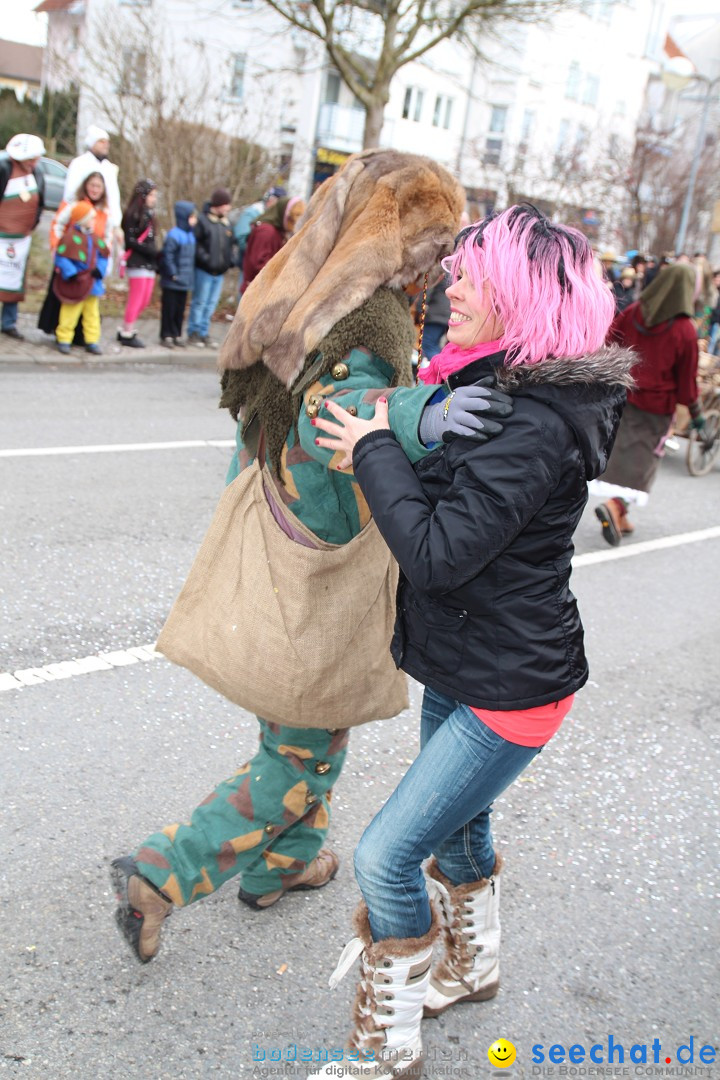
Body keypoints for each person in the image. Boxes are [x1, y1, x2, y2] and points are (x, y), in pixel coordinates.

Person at [109, 149, 514, 966]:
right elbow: (333, 415)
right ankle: (160, 874)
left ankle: (286, 867)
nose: (443, 266)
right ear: (391, 242)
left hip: (281, 542)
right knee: (299, 753)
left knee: (311, 734)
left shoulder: (303, 295)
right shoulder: (367, 323)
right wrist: (420, 413)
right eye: (434, 246)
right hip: (316, 567)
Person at [306, 204, 634, 1080]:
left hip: (511, 686)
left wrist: (376, 444)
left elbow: (438, 555)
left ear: (519, 298)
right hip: (470, 657)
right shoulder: (499, 385)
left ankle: (387, 1048)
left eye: (470, 273)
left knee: (385, 857)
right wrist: (408, 425)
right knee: (460, 830)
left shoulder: (531, 421)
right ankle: (475, 967)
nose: (451, 282)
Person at [592, 264, 703, 544]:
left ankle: (622, 513)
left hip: (622, 395)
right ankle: (616, 507)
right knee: (643, 463)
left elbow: (609, 340)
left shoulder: (634, 312)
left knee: (619, 451)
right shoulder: (685, 330)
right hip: (656, 407)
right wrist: (696, 413)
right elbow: (687, 380)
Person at [38, 171, 111, 345]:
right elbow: (58, 223)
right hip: (71, 259)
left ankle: (84, 337)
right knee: (66, 299)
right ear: (86, 185)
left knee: (89, 306)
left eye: (98, 186)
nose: (94, 189)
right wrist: (57, 248)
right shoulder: (73, 205)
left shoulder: (104, 212)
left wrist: (102, 262)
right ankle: (62, 334)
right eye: (92, 185)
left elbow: (106, 237)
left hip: (91, 262)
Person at [0, 133, 45, 340]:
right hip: (1, 235)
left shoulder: (37, 174)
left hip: (21, 239)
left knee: (14, 280)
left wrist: (32, 225)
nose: (34, 163)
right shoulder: (4, 169)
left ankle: (9, 322)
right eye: (31, 159)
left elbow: (40, 204)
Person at [53, 199, 109, 356]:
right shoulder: (70, 237)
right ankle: (64, 338)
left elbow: (104, 256)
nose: (93, 221)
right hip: (76, 282)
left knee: (92, 315)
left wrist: (100, 269)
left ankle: (92, 340)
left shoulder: (96, 238)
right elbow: (62, 256)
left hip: (92, 282)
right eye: (90, 218)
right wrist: (70, 272)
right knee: (69, 312)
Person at [186, 188, 236, 348]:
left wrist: (230, 260)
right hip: (204, 270)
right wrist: (206, 259)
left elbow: (230, 245)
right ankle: (193, 332)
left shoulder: (225, 224)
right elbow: (197, 244)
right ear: (219, 204)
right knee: (200, 302)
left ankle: (203, 332)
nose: (228, 208)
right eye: (226, 204)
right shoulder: (203, 220)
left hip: (219, 271)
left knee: (211, 304)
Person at [118, 180, 159, 348]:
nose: (154, 198)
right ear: (142, 196)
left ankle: (126, 327)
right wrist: (148, 249)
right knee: (135, 299)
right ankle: (127, 331)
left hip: (149, 263)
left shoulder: (150, 214)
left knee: (145, 299)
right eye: (151, 195)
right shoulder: (132, 214)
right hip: (137, 262)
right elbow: (130, 241)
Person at [62, 125, 122, 240]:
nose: (105, 145)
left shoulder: (108, 167)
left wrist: (116, 224)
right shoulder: (79, 163)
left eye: (107, 142)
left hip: (104, 223)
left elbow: (114, 197)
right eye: (101, 141)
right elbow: (70, 194)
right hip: (82, 221)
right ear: (92, 143)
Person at [240, 194, 305, 295]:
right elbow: (258, 263)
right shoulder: (266, 232)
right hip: (255, 291)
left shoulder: (278, 232)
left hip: (264, 289)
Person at [158, 201, 197, 347]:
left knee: (180, 310)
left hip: (184, 280)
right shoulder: (174, 235)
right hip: (172, 280)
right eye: (192, 216)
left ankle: (176, 333)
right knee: (169, 308)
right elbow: (167, 256)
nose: (195, 219)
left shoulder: (191, 235)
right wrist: (173, 273)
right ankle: (166, 335)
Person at [232, 184, 286, 288]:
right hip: (249, 266)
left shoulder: (274, 218)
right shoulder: (253, 212)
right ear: (270, 200)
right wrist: (257, 252)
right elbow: (241, 237)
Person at [419, 267, 451, 359]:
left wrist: (420, 308)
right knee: (433, 344)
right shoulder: (453, 270)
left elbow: (428, 288)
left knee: (427, 344)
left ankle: (441, 369)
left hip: (435, 313)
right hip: (447, 314)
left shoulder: (441, 268)